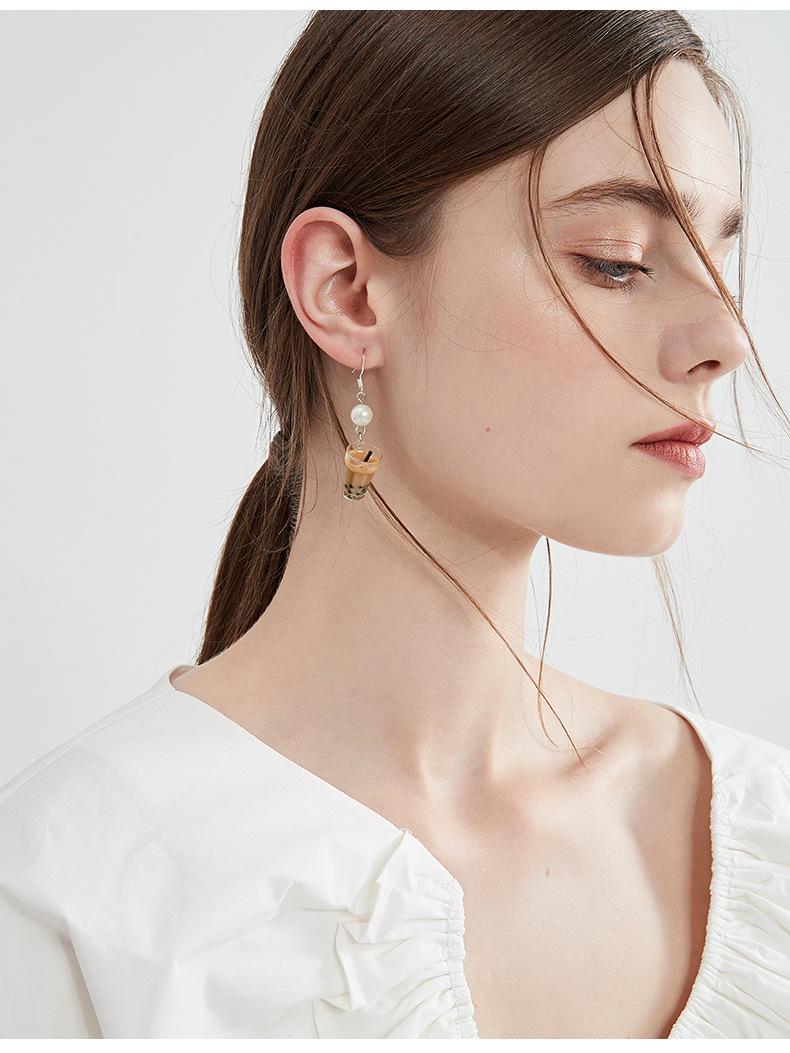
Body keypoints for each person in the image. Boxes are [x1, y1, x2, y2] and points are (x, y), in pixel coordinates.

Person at [1, 10, 788, 1040]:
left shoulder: (764, 833)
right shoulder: (76, 888)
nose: (727, 338)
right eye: (618, 259)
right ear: (347, 292)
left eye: (722, 258)